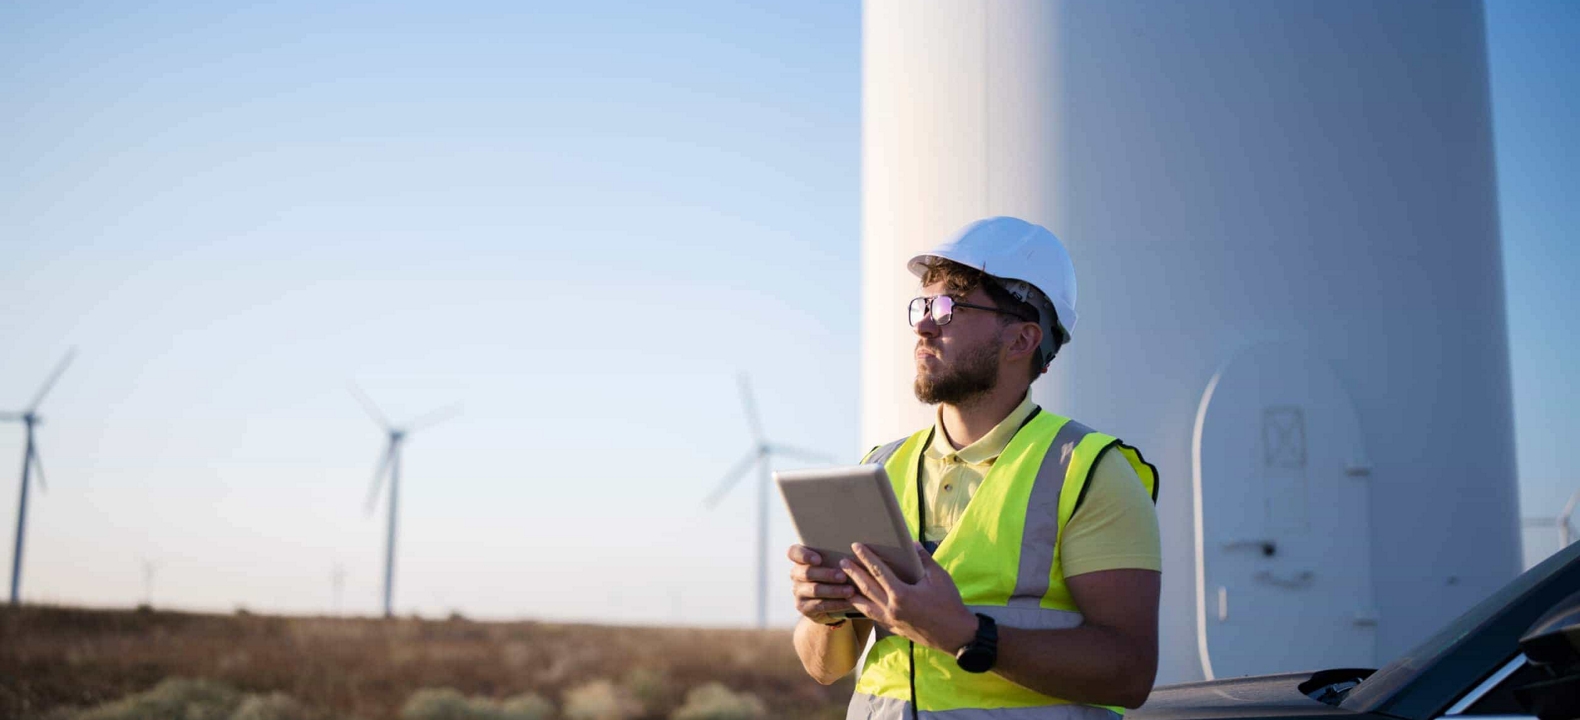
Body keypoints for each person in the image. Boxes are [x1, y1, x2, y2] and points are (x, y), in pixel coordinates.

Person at [789, 217, 1162, 720]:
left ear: (1022, 340)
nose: (923, 324)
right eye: (922, 305)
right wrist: (824, 615)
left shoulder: (1092, 472)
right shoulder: (880, 468)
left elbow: (1130, 673)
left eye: (947, 308)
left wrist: (966, 636)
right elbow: (824, 669)